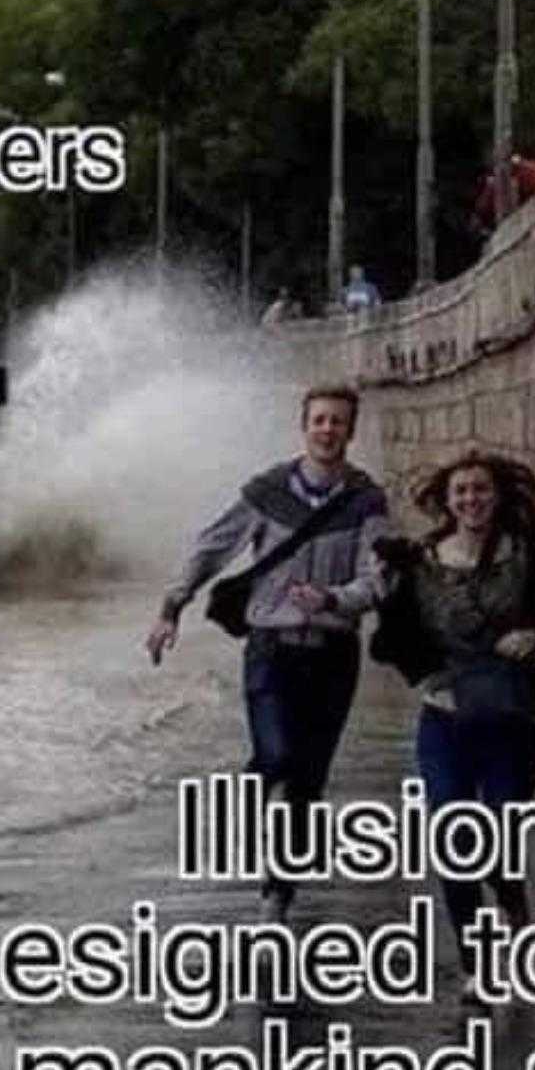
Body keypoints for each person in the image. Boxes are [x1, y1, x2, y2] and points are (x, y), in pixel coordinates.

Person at [145, 386, 391, 914]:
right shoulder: (268, 491)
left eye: (338, 422)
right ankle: (240, 811)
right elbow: (213, 547)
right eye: (320, 420)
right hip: (271, 649)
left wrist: (333, 597)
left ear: (351, 431)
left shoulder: (367, 500)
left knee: (307, 784)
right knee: (277, 756)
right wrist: (172, 606)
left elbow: (378, 579)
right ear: (304, 426)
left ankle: (277, 897)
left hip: (333, 653)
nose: (328, 430)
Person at [354, 448, 535, 1002]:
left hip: (507, 715)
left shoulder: (523, 554)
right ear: (445, 500)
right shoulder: (420, 560)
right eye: (461, 491)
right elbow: (390, 640)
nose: (471, 500)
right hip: (445, 719)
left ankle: (512, 900)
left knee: (499, 837)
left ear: (498, 496)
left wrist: (532, 637)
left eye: (481, 490)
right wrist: (423, 673)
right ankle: (478, 966)